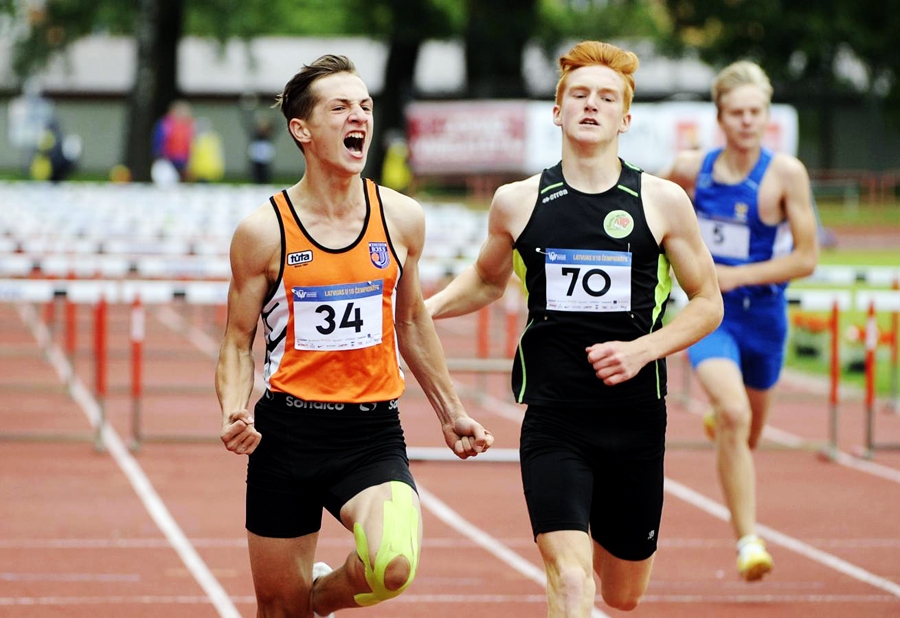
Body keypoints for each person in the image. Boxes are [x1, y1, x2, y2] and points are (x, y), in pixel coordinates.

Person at [425, 40, 723, 614]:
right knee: (569, 578)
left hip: (636, 420)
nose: (592, 104)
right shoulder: (517, 201)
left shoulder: (661, 201)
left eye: (607, 97)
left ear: (625, 119)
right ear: (558, 111)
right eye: (580, 94)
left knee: (622, 595)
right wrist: (424, 310)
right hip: (554, 417)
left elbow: (708, 303)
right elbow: (487, 280)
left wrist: (642, 351)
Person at [214, 54, 494, 618]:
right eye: (340, 107)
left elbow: (410, 321)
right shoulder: (263, 232)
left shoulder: (402, 219)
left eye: (364, 105)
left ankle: (320, 597)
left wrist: (452, 412)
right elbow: (238, 341)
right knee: (279, 611)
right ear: (302, 130)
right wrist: (234, 409)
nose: (359, 116)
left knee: (393, 565)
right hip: (286, 436)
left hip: (370, 435)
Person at [662, 60, 819, 581]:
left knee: (746, 432)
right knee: (733, 415)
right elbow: (648, 216)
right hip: (712, 316)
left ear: (767, 115)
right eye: (737, 113)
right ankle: (749, 541)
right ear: (720, 117)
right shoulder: (690, 170)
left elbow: (806, 258)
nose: (748, 121)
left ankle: (727, 425)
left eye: (756, 112)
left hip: (765, 320)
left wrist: (739, 275)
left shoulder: (785, 174)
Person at [152, 99, 195, 181]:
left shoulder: (189, 126)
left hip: (183, 161)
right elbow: (158, 141)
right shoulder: (165, 124)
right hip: (167, 159)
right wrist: (159, 156)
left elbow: (191, 144)